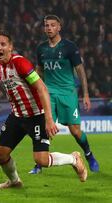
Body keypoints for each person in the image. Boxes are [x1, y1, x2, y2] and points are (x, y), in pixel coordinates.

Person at [0, 30, 88, 189]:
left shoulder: (20, 63)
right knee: (0, 154)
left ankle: (73, 159)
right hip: (17, 116)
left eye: (3, 44)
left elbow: (42, 89)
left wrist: (48, 119)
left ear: (10, 47)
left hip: (37, 116)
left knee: (41, 160)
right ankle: (14, 181)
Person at [29, 15, 99, 174]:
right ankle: (40, 163)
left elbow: (80, 71)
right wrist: (37, 87)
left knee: (75, 131)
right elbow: (39, 70)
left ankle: (88, 154)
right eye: (46, 25)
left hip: (68, 92)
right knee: (46, 126)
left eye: (52, 25)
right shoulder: (41, 48)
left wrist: (86, 94)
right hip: (49, 93)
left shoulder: (69, 47)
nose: (49, 28)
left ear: (59, 27)